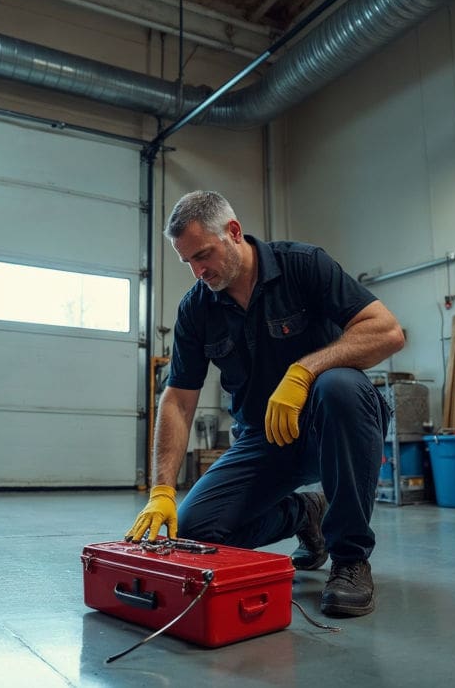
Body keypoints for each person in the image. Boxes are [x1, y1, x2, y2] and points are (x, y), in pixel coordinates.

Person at [126, 190, 404, 617]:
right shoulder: (196, 310)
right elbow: (179, 400)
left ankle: (349, 558)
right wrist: (162, 489)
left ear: (234, 232)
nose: (199, 271)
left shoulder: (303, 266)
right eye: (189, 263)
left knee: (341, 388)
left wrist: (305, 371)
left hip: (331, 425)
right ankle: (303, 514)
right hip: (264, 439)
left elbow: (386, 331)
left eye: (204, 255)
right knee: (197, 531)